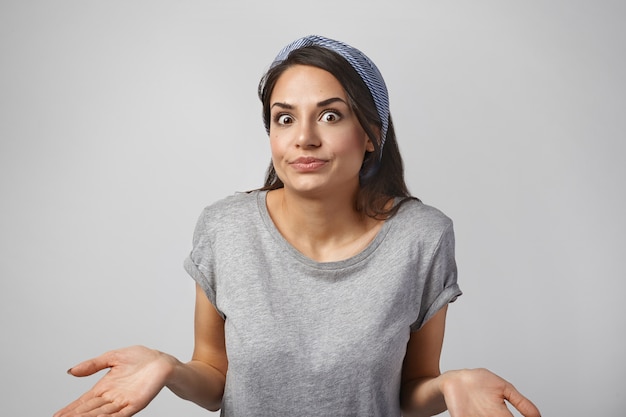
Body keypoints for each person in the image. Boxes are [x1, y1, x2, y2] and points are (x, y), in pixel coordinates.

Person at [53, 35, 541, 417]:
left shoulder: (423, 236)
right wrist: (169, 369)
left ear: (371, 133)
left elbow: (409, 391)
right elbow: (214, 381)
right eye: (284, 119)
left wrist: (451, 385)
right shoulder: (225, 228)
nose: (303, 138)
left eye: (330, 115)